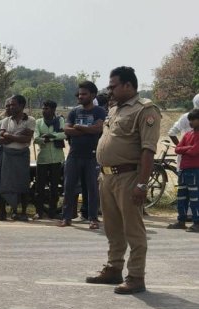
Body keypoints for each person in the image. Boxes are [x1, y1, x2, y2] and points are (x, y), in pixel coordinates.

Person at [85, 66, 161, 295]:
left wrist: (142, 183)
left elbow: (148, 150)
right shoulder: (115, 109)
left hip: (129, 176)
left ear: (128, 86)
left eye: (113, 86)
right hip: (107, 176)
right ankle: (114, 268)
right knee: (113, 228)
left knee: (133, 229)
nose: (110, 90)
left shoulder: (145, 110)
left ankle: (136, 276)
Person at [62, 81, 107, 229]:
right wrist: (86, 128)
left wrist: (79, 127)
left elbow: (97, 129)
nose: (80, 96)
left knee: (92, 188)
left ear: (92, 95)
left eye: (84, 94)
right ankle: (66, 218)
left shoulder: (99, 111)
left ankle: (93, 218)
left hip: (92, 156)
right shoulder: (74, 111)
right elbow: (67, 130)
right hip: (74, 155)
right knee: (68, 187)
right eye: (79, 94)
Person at [0, 95, 35, 221]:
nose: (11, 107)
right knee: (4, 184)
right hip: (7, 155)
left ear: (22, 106)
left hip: (22, 155)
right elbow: (1, 139)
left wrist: (9, 135)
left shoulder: (30, 120)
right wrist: (16, 136)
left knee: (22, 183)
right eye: (10, 105)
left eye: (14, 105)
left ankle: (22, 212)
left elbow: (26, 139)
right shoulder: (6, 121)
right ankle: (3, 212)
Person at [33, 100, 67, 220]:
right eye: (43, 108)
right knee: (40, 187)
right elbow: (36, 138)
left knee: (54, 187)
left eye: (46, 108)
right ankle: (39, 212)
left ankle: (53, 212)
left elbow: (64, 135)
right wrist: (54, 136)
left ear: (53, 110)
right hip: (43, 158)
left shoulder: (60, 120)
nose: (44, 110)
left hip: (57, 158)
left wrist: (50, 136)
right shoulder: (38, 122)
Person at [167, 109, 199, 231]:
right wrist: (188, 148)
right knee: (182, 196)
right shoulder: (188, 134)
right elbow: (177, 149)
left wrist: (185, 149)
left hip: (194, 170)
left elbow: (194, 151)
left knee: (195, 197)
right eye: (189, 120)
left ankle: (197, 222)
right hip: (184, 169)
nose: (190, 122)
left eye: (193, 120)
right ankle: (181, 221)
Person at [167, 93, 199, 175]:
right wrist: (185, 149)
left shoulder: (186, 117)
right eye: (190, 120)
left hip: (186, 164)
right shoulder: (187, 117)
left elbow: (171, 133)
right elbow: (193, 150)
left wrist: (182, 149)